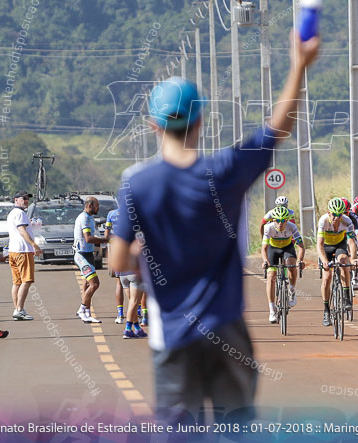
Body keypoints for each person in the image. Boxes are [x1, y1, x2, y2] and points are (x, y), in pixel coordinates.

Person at [110, 31, 319, 425]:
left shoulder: (137, 183)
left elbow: (117, 260)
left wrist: (145, 255)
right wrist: (299, 65)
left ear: (153, 125)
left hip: (171, 334)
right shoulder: (223, 172)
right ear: (201, 120)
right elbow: (276, 130)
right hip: (227, 329)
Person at [317, 197, 358, 326]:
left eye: (339, 214)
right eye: (334, 214)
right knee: (327, 278)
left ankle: (346, 296)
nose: (336, 217)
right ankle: (326, 310)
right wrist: (324, 261)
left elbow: (351, 242)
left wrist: (354, 258)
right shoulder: (323, 221)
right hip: (326, 248)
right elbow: (319, 245)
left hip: (339, 245)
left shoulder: (347, 222)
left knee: (344, 262)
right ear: (329, 213)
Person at [261, 206, 305, 323]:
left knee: (291, 265)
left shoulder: (292, 227)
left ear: (287, 220)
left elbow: (301, 246)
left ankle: (291, 290)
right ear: (273, 220)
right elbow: (264, 248)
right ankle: (272, 309)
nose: (280, 223)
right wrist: (265, 261)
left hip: (287, 247)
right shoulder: (268, 228)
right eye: (277, 220)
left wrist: (300, 260)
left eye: (283, 220)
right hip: (273, 249)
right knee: (271, 277)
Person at [7, 191, 43, 320]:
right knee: (26, 281)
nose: (26, 201)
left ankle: (17, 309)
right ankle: (19, 309)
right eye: (24, 199)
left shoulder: (13, 213)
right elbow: (22, 231)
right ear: (16, 200)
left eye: (27, 199)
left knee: (17, 282)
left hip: (14, 250)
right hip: (23, 250)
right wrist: (34, 245)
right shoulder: (20, 213)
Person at [74, 197, 109, 323]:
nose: (98, 208)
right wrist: (105, 240)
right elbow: (88, 238)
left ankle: (87, 312)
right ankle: (82, 309)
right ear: (90, 205)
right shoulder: (84, 218)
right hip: (82, 255)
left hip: (88, 254)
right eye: (97, 205)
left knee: (87, 284)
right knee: (95, 284)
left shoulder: (89, 217)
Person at [104, 207, 126, 324]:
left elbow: (107, 234)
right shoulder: (135, 211)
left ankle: (120, 314)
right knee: (137, 283)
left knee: (119, 283)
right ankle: (140, 312)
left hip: (117, 250)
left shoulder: (111, 214)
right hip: (132, 249)